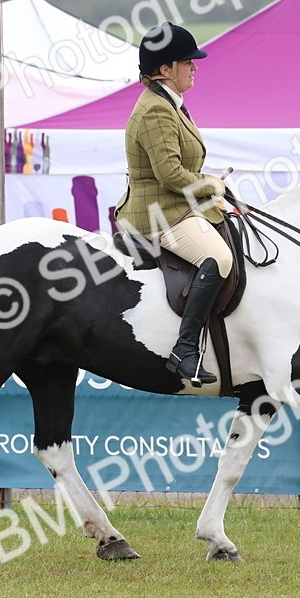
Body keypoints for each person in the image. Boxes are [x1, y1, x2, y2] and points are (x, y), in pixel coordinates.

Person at [114, 22, 233, 386]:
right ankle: (185, 350)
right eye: (187, 62)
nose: (194, 67)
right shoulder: (155, 110)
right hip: (157, 214)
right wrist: (211, 185)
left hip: (175, 205)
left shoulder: (171, 104)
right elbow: (169, 174)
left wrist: (212, 191)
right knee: (220, 258)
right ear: (165, 70)